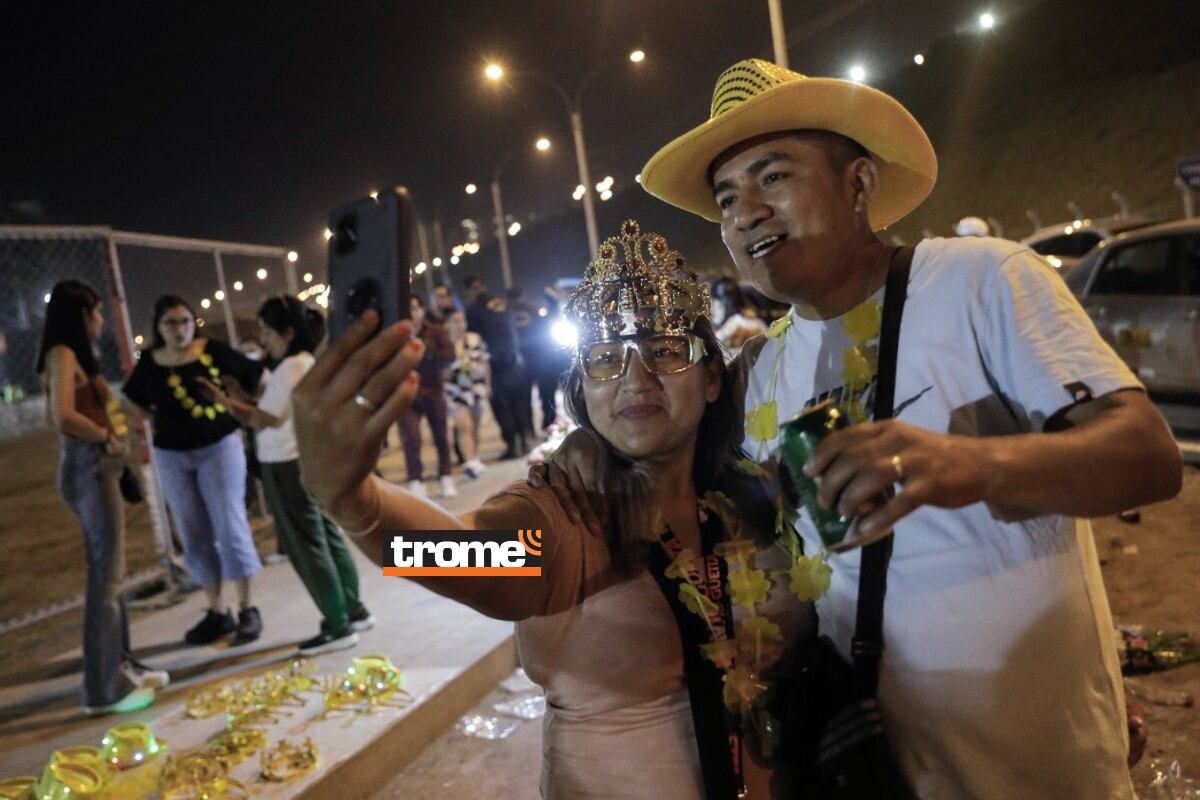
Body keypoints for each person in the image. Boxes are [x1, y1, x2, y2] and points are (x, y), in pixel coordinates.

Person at [628, 58, 1181, 797]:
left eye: (772, 176)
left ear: (859, 185)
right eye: (725, 198)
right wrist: (573, 460)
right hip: (871, 768)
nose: (745, 212)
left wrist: (970, 467)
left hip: (1041, 765)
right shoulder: (757, 368)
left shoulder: (982, 281)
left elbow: (1147, 455)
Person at [291, 222, 818, 799]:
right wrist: (355, 500)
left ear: (713, 377)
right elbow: (450, 553)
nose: (635, 380)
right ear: (583, 388)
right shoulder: (569, 511)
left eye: (664, 352)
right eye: (604, 359)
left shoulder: (750, 482)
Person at [197, 296, 373, 656]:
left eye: (266, 330)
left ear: (288, 333)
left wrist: (222, 400)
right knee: (326, 536)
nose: (263, 339)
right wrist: (241, 395)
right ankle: (353, 610)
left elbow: (266, 419)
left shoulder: (289, 367)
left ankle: (336, 623)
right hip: (306, 458)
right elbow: (272, 409)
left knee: (306, 544)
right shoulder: (306, 362)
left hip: (285, 464)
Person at [37, 280, 169, 715]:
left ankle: (121, 666)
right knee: (105, 577)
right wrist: (106, 439)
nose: (99, 321)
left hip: (97, 466)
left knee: (113, 572)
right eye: (93, 313)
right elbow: (61, 417)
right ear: (77, 315)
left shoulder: (76, 356)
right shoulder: (62, 354)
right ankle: (101, 688)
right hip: (87, 466)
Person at [123, 295, 266, 646]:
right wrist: (152, 418)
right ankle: (218, 612)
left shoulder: (212, 351)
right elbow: (131, 398)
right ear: (158, 327)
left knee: (229, 523)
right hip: (172, 455)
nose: (180, 329)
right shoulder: (151, 363)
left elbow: (257, 376)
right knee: (192, 531)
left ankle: (248, 608)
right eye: (171, 323)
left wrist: (245, 407)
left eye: (185, 321)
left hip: (218, 447)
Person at [394, 295, 457, 498]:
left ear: (421, 310)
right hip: (406, 394)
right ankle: (415, 480)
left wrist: (427, 354)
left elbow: (450, 354)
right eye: (407, 309)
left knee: (441, 435)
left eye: (415, 308)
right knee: (411, 438)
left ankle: (446, 476)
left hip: (433, 389)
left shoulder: (435, 331)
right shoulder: (395, 336)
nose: (412, 313)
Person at [463, 276, 533, 458]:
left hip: (493, 364)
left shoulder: (473, 310)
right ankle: (524, 440)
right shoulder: (501, 304)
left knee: (502, 406)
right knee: (519, 402)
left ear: (470, 290)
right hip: (515, 360)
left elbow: (473, 338)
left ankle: (513, 444)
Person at [443, 308, 489, 479]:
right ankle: (469, 461)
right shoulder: (447, 343)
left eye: (462, 320)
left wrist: (487, 384)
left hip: (476, 389)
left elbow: (485, 362)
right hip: (455, 391)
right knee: (465, 426)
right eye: (455, 320)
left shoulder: (475, 338)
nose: (460, 324)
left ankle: (474, 457)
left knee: (475, 425)